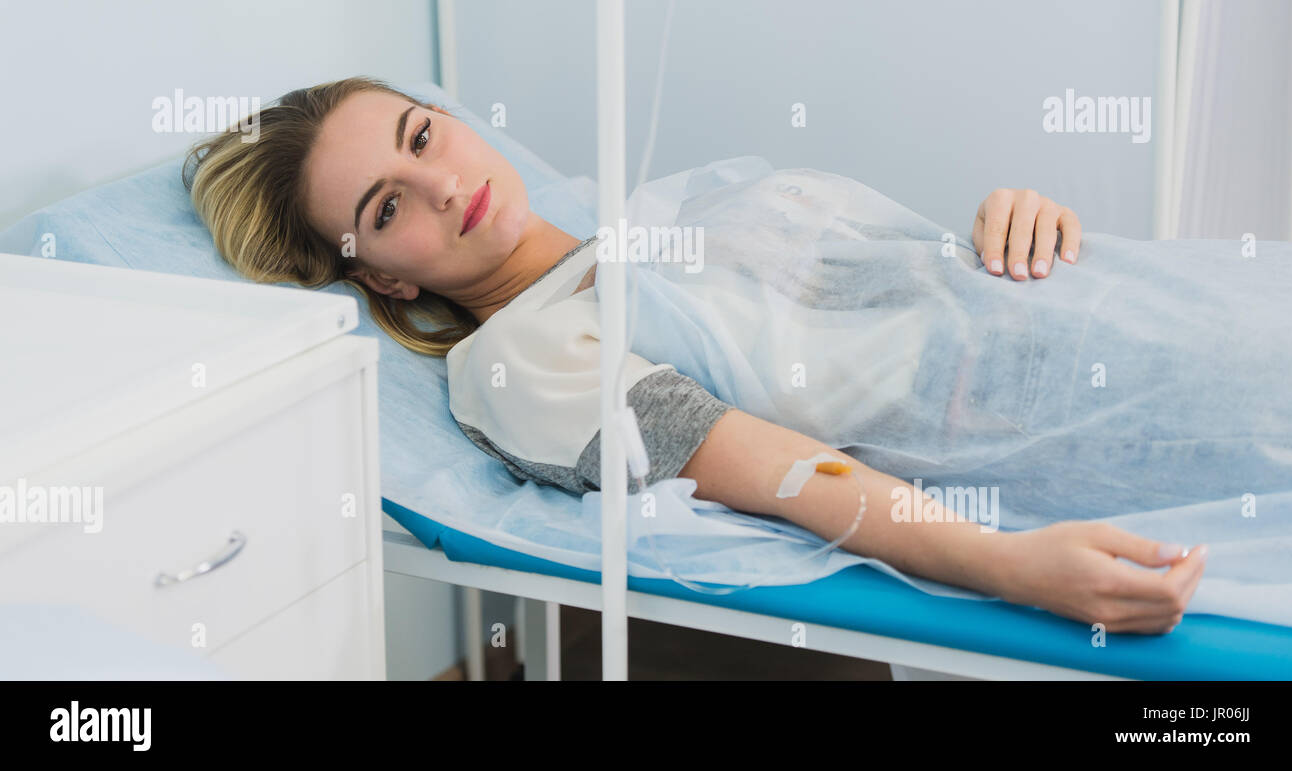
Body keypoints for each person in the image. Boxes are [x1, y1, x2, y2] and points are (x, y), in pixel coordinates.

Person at [184, 76, 1210, 635]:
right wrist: (1008, 564)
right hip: (1046, 417)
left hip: (1097, 306)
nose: (442, 185)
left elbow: (874, 287)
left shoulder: (664, 215)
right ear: (384, 281)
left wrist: (1012, 224)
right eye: (389, 208)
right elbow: (785, 470)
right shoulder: (517, 360)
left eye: (421, 139)